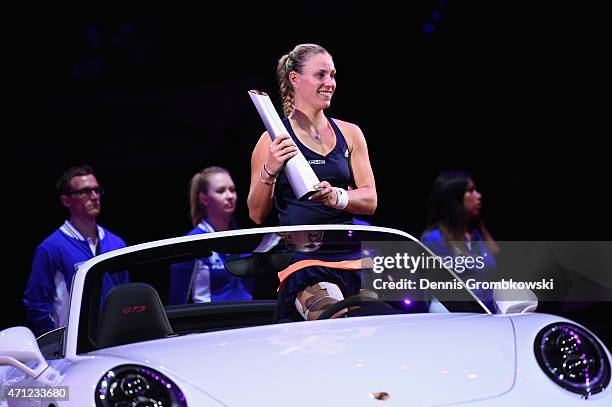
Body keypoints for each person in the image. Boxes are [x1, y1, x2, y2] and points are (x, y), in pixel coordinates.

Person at [246, 43, 377, 320]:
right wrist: (270, 168)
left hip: (353, 256)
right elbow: (256, 214)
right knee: (335, 323)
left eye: (333, 75)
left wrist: (337, 197)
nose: (330, 83)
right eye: (321, 75)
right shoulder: (270, 139)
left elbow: (369, 200)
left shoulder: (350, 133)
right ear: (295, 79)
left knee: (379, 330)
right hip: (306, 262)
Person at [23, 165, 129, 336]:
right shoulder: (51, 248)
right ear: (66, 200)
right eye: (85, 191)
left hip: (114, 340)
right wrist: (57, 343)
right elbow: (36, 304)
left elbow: (126, 297)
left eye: (96, 190)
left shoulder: (116, 243)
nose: (94, 197)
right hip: (72, 348)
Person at [169, 166, 253, 304]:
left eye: (232, 190)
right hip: (211, 321)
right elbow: (177, 300)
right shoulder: (191, 242)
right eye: (221, 191)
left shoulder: (242, 238)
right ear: (204, 198)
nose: (230, 196)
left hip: (246, 316)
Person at [420, 171, 499, 312]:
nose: (479, 196)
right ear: (454, 198)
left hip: (490, 315)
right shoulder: (433, 240)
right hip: (456, 318)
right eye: (471, 191)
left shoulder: (477, 236)